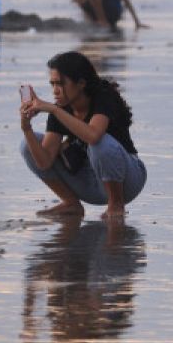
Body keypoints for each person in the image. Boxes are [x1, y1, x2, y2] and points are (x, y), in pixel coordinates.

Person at [19, 51, 147, 219]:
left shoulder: (103, 96)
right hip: (89, 181)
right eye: (52, 84)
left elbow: (93, 136)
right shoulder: (60, 109)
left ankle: (116, 205)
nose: (55, 91)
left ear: (81, 83)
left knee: (100, 144)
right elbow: (44, 162)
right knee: (27, 144)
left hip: (127, 181)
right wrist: (27, 128)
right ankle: (71, 204)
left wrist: (54, 110)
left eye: (60, 84)